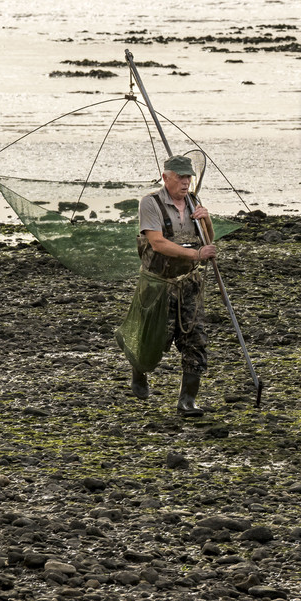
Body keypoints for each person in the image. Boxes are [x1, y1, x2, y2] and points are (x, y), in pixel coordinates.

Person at [130, 154, 217, 417]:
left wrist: (206, 220)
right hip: (158, 284)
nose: (186, 182)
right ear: (166, 177)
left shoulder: (193, 201)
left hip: (189, 283)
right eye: (180, 177)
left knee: (195, 339)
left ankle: (187, 401)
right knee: (154, 339)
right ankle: (139, 370)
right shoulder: (150, 203)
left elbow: (207, 240)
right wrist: (195, 254)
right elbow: (157, 243)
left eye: (188, 176)